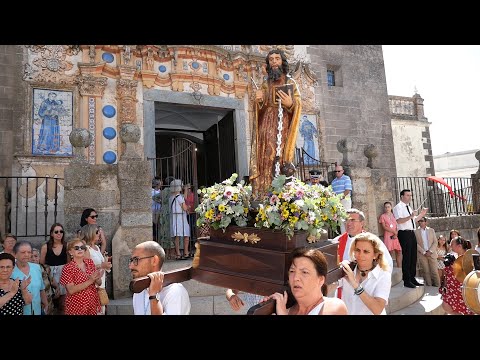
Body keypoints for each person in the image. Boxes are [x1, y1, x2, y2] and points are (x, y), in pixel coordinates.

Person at [250, 49, 302, 197]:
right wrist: (259, 101)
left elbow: (298, 104)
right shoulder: (265, 84)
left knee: (279, 157)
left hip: (282, 125)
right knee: (265, 157)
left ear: (282, 62)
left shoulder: (290, 82)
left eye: (277, 59)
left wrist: (290, 103)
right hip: (266, 125)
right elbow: (259, 108)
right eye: (271, 59)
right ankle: (263, 192)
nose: (274, 61)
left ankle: (280, 192)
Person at [261, 247, 347, 315]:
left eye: (304, 272)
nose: (295, 278)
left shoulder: (334, 307)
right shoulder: (284, 310)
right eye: (292, 271)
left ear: (320, 280)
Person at [332, 208, 393, 299]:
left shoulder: (372, 241)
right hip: (344, 290)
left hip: (367, 288)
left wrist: (379, 288)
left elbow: (387, 265)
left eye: (352, 220)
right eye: (346, 220)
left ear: (362, 223)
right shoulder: (337, 241)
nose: (348, 223)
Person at [129, 240, 190, 315]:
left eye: (136, 260)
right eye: (131, 260)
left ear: (154, 260)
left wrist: (153, 296)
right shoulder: (139, 292)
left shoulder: (175, 291)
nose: (131, 266)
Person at [339, 232, 392, 315]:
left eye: (366, 251)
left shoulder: (383, 275)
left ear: (375, 255)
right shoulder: (347, 269)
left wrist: (355, 284)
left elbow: (377, 310)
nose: (360, 255)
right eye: (357, 250)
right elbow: (328, 288)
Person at [393, 189, 428, 288]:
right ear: (402, 196)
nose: (410, 197)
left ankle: (412, 278)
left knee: (413, 256)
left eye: (410, 195)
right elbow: (399, 221)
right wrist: (411, 216)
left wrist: (422, 214)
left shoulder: (408, 207)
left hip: (411, 232)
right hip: (404, 233)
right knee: (407, 256)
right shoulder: (398, 207)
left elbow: (413, 221)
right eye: (408, 195)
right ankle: (407, 280)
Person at [60, 238, 103, 315]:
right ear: (70, 252)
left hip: (92, 304)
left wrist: (97, 278)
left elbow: (99, 283)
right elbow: (71, 290)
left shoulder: (90, 262)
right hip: (76, 306)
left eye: (82, 248)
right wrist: (90, 280)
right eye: (76, 248)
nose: (80, 250)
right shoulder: (67, 268)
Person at [11, 241, 47, 315]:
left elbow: (41, 288)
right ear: (15, 254)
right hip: (19, 311)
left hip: (37, 310)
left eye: (29, 252)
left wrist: (45, 302)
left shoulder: (36, 267)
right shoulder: (10, 271)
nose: (26, 255)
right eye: (23, 252)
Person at [441, 236, 474, 315]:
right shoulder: (452, 256)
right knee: (446, 305)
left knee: (467, 311)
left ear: (459, 246)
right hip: (453, 289)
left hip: (465, 289)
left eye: (452, 244)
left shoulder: (470, 256)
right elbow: (447, 273)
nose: (450, 246)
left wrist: (455, 267)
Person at [40, 223, 68, 314]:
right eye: (56, 231)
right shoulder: (45, 247)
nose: (59, 233)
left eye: (61, 231)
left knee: (63, 304)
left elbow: (69, 263)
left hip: (63, 275)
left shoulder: (66, 246)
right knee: (49, 304)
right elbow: (41, 264)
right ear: (52, 233)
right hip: (50, 276)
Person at [414, 218, 441, 287]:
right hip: (422, 255)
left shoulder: (431, 230)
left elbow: (435, 242)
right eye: (419, 221)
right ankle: (429, 286)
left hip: (432, 254)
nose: (420, 222)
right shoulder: (415, 231)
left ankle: (438, 286)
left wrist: (430, 251)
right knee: (426, 272)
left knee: (434, 272)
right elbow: (415, 243)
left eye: (422, 221)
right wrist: (423, 252)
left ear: (426, 222)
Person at [170, 179, 191, 259]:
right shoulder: (179, 197)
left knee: (177, 236)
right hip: (181, 218)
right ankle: (186, 252)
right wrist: (188, 207)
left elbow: (183, 198)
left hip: (175, 217)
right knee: (186, 235)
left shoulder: (171, 197)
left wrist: (185, 190)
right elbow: (184, 208)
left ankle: (178, 253)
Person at [31, 248, 55, 315]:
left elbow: (51, 279)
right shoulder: (27, 271)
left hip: (48, 298)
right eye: (31, 257)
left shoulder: (45, 267)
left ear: (39, 257)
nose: (33, 259)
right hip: (36, 301)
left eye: (36, 256)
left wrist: (57, 287)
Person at [378, 201, 402, 268]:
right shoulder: (383, 216)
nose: (387, 208)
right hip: (388, 235)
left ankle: (399, 268)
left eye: (388, 207)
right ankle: (389, 268)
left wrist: (396, 233)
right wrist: (394, 232)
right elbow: (384, 227)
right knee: (389, 252)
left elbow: (398, 224)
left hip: (396, 235)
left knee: (399, 251)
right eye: (385, 207)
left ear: (391, 207)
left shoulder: (394, 215)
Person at [331, 165, 352, 233]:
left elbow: (347, 190)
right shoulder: (333, 181)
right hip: (337, 202)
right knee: (340, 220)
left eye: (339, 171)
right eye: (336, 171)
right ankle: (344, 236)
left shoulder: (346, 178)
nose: (337, 172)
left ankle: (349, 236)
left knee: (346, 219)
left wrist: (340, 198)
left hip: (345, 201)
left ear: (342, 171)